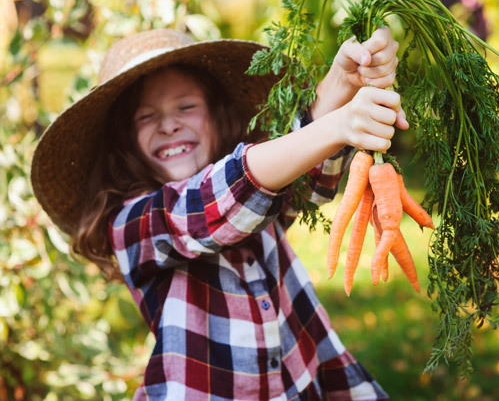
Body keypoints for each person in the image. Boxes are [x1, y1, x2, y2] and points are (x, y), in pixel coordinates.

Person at [31, 26, 408, 400]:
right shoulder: (132, 223)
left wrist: (341, 81)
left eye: (186, 106)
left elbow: (307, 176)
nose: (169, 124)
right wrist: (337, 126)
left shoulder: (259, 195)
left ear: (217, 117)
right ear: (125, 141)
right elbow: (210, 203)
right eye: (146, 117)